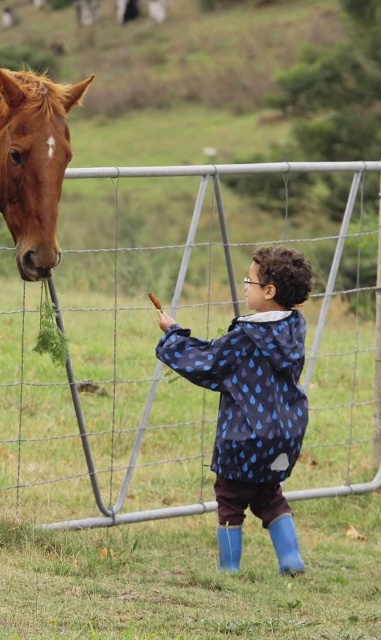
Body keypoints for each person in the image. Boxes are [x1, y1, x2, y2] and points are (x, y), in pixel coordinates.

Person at [154, 246, 314, 576]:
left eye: (250, 280)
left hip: (243, 436)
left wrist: (173, 335)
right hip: (283, 435)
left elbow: (208, 362)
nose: (244, 285)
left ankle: (229, 569)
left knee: (230, 498)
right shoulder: (295, 329)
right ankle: (291, 558)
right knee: (270, 496)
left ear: (269, 291)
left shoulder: (246, 337)